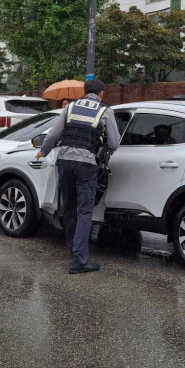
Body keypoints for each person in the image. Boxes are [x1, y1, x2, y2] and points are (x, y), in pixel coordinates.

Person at [36, 79, 121, 274]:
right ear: (101, 94)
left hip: (64, 162)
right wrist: (103, 150)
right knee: (85, 212)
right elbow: (115, 143)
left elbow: (53, 135)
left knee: (69, 207)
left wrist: (43, 151)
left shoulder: (71, 107)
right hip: (86, 164)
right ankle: (80, 260)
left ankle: (72, 246)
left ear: (84, 92)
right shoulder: (105, 110)